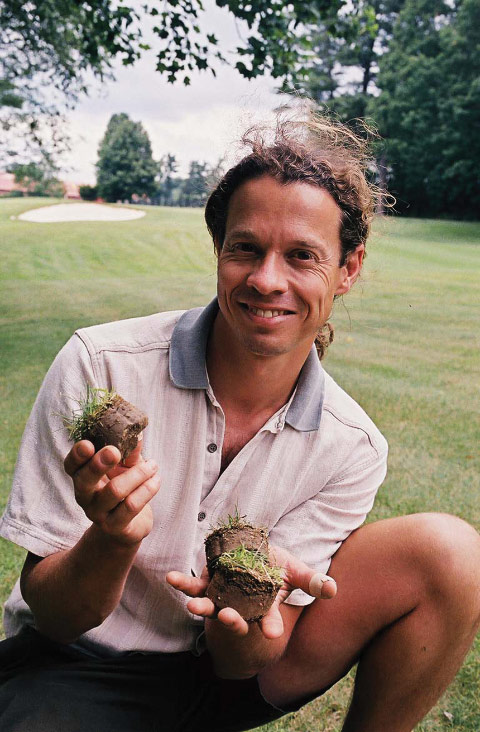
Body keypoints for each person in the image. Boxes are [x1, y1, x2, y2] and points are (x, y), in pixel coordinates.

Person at [1, 114, 479, 732]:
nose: (267, 279)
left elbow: (242, 664)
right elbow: (59, 618)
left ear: (349, 269)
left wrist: (250, 607)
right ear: (220, 251)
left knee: (454, 556)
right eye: (245, 248)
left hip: (228, 677)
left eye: (303, 256)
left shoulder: (351, 446)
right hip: (73, 665)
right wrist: (113, 538)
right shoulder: (101, 367)